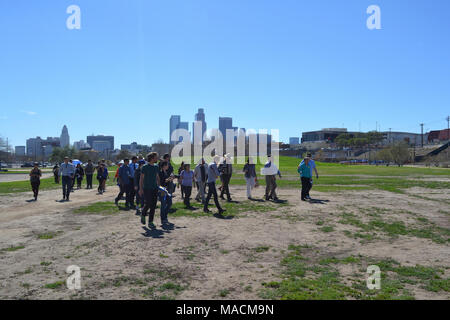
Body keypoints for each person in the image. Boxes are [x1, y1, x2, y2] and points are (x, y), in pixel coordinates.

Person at [139, 152, 161, 228]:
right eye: (156, 157)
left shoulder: (156, 167)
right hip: (147, 188)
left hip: (154, 188)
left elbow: (157, 177)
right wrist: (141, 189)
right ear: (152, 158)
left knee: (153, 206)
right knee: (148, 203)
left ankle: (150, 221)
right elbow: (141, 179)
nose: (157, 158)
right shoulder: (145, 167)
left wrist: (159, 186)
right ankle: (143, 213)